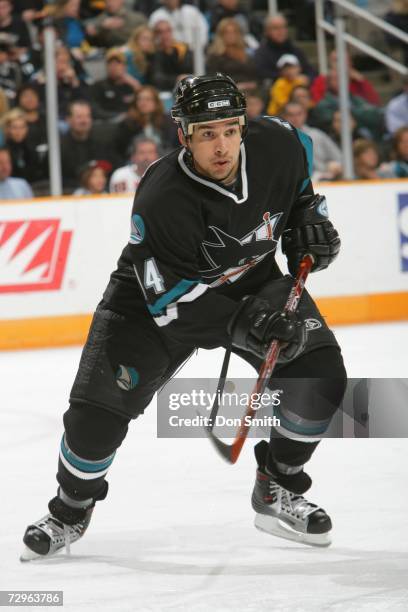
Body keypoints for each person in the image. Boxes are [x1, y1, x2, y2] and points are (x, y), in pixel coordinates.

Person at [21, 73, 346, 562]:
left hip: (253, 283)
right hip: (152, 303)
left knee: (321, 378)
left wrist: (310, 226)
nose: (221, 146)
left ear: (243, 126)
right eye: (207, 133)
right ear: (184, 136)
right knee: (93, 422)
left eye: (230, 130)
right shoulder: (162, 196)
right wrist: (250, 323)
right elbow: (170, 303)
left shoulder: (282, 143)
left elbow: (300, 199)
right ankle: (70, 508)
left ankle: (277, 485)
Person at [60, 100, 119, 192]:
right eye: (79, 117)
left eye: (87, 116)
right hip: (69, 195)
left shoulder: (102, 142)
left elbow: (114, 167)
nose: (84, 121)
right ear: (68, 120)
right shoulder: (60, 147)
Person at [281, 101, 343, 181]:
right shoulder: (277, 138)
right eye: (291, 115)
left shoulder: (317, 135)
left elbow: (340, 158)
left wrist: (334, 166)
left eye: (299, 114)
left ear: (305, 115)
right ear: (284, 117)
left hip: (322, 180)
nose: (295, 118)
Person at [114, 85, 177, 159]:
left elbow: (171, 146)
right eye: (139, 99)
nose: (143, 103)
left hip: (164, 159)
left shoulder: (167, 121)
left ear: (156, 102)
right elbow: (123, 150)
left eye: (148, 99)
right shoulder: (128, 123)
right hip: (136, 161)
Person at [254, 13, 316, 83]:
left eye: (283, 27)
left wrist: (307, 78)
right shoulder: (262, 53)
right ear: (267, 31)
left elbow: (311, 71)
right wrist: (287, 76)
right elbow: (263, 75)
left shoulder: (295, 50)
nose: (281, 31)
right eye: (276, 28)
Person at [206, 18, 260, 91]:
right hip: (229, 93)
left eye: (234, 32)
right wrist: (236, 86)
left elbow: (255, 75)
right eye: (227, 32)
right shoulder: (215, 56)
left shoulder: (246, 53)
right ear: (221, 35)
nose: (231, 35)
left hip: (251, 91)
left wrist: (253, 84)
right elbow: (214, 81)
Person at [90, 48, 140, 121]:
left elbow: (143, 105)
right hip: (107, 122)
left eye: (117, 64)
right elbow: (95, 111)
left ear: (124, 67)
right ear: (106, 67)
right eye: (110, 64)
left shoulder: (131, 86)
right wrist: (118, 116)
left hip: (129, 123)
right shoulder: (98, 86)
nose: (114, 67)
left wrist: (136, 85)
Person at [150, 19, 193, 92]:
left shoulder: (182, 49)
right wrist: (177, 78)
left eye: (168, 31)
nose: (165, 35)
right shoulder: (153, 53)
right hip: (163, 92)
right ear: (155, 35)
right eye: (160, 32)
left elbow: (190, 70)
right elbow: (157, 78)